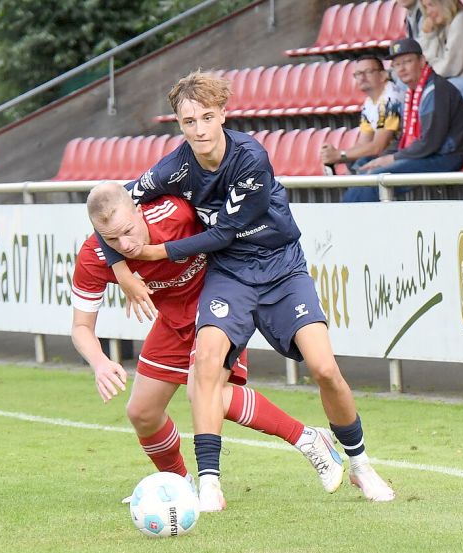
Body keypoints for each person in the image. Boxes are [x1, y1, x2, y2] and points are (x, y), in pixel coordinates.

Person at [95, 70, 395, 509]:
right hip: (230, 274)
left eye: (205, 118)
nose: (197, 130)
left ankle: (361, 466)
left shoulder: (251, 157)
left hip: (281, 269)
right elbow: (109, 208)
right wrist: (120, 267)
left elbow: (227, 231)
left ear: (223, 115)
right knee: (207, 365)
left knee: (325, 369)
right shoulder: (176, 165)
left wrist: (156, 254)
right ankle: (210, 483)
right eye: (187, 122)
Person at [73, 184, 344, 512]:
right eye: (112, 240)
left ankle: (307, 438)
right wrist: (99, 362)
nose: (125, 245)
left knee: (203, 392)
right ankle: (180, 485)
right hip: (173, 320)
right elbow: (81, 328)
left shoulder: (176, 211)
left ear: (139, 209)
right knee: (142, 412)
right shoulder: (94, 257)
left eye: (128, 232)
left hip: (220, 305)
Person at [351, 38, 463, 202]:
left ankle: (342, 224)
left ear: (422, 61)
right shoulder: (414, 91)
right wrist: (383, 157)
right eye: (397, 64)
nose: (402, 69)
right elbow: (407, 138)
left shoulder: (435, 90)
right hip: (427, 154)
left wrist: (390, 158)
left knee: (375, 178)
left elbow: (429, 143)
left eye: (407, 61)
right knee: (363, 167)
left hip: (445, 156)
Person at [320, 55, 403, 174]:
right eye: (358, 74)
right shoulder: (369, 102)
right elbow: (363, 143)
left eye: (368, 72)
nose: (362, 77)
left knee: (362, 167)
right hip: (389, 151)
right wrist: (337, 157)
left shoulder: (391, 99)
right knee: (352, 162)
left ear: (383, 75)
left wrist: (339, 155)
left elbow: (378, 146)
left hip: (403, 151)